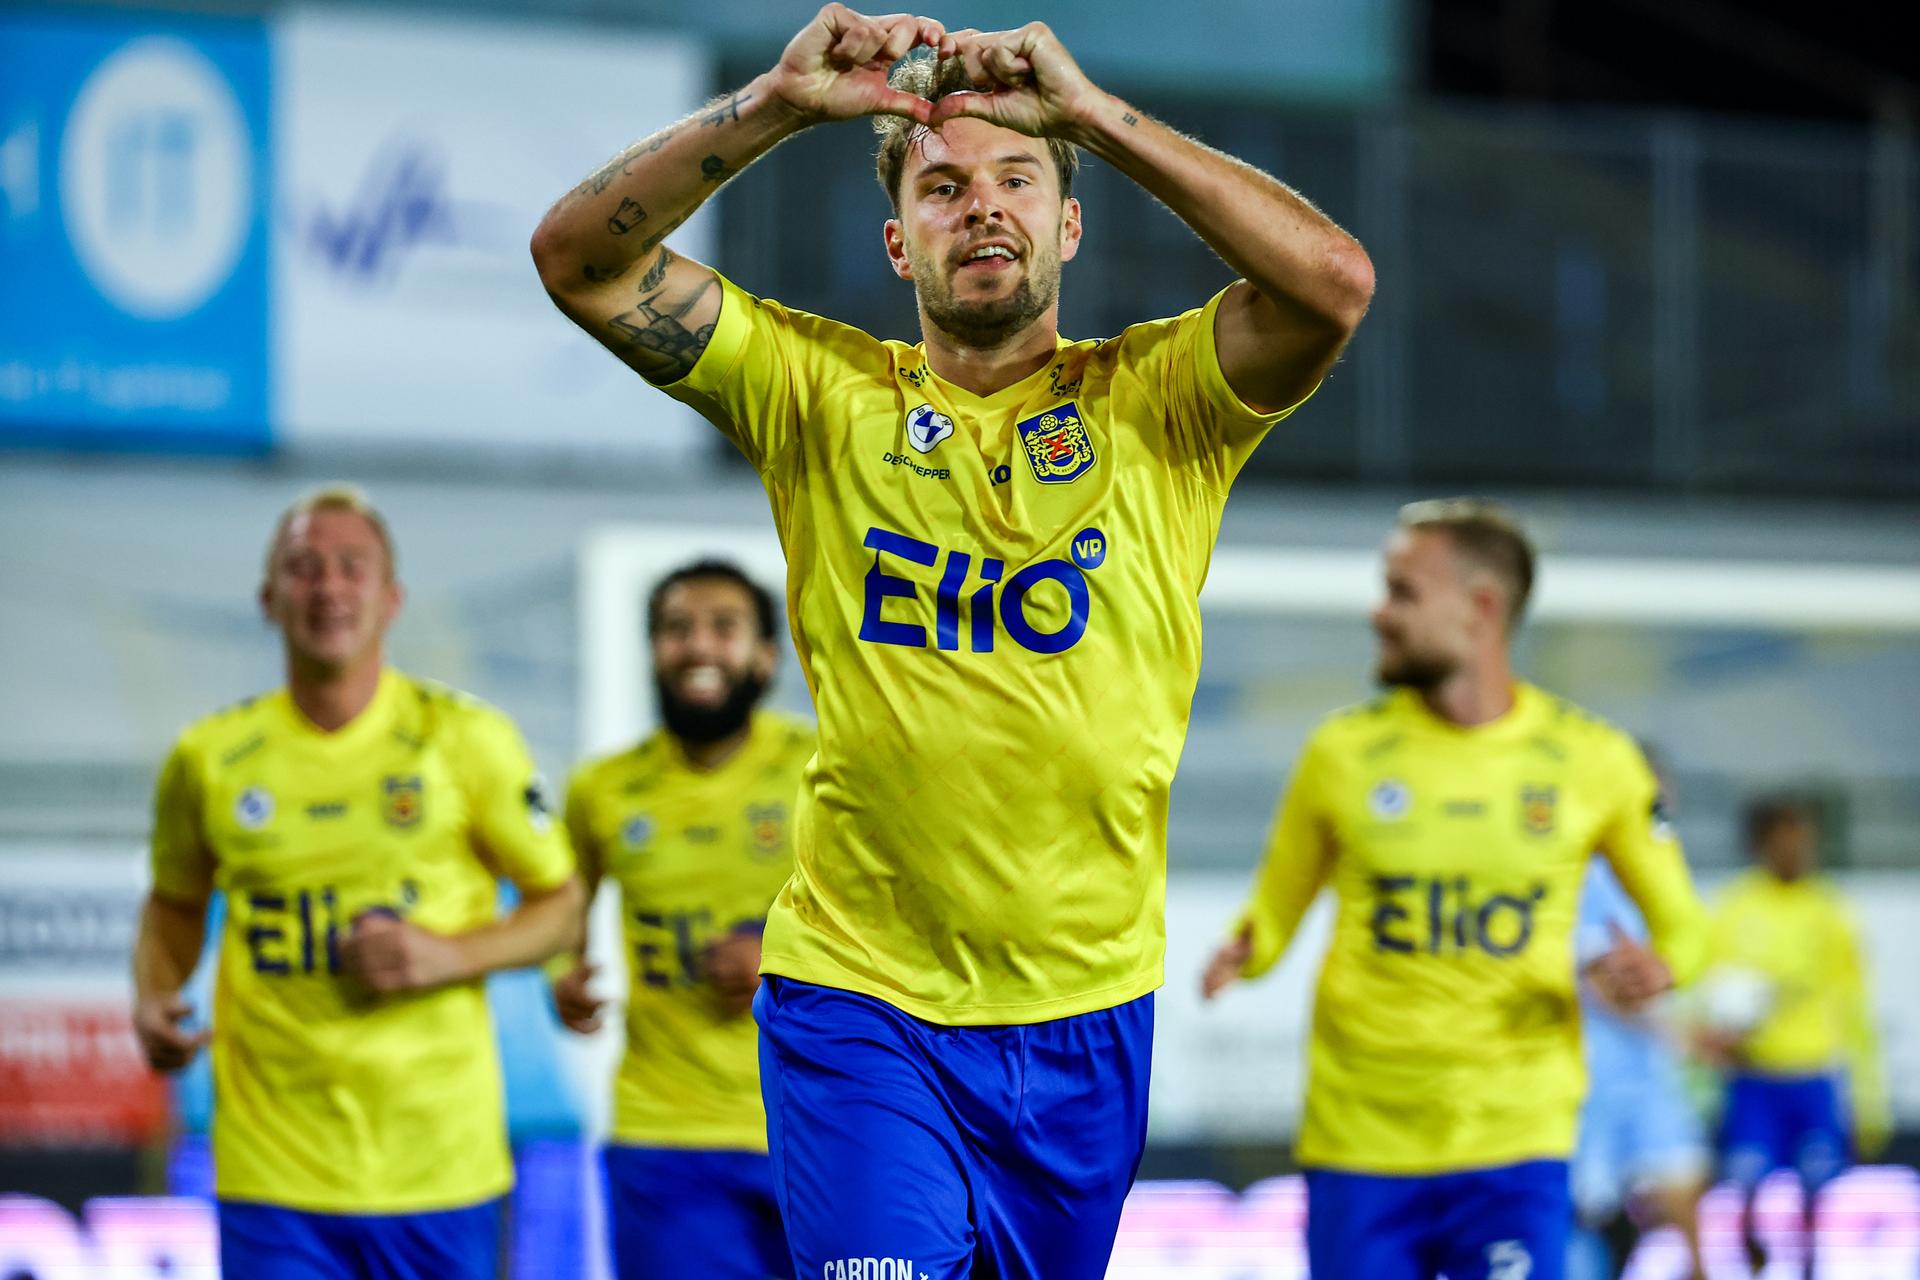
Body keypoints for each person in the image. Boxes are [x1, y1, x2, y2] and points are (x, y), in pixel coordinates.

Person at [530, 6, 1373, 1274]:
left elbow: (1336, 283)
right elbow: (580, 261)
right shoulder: (819, 395)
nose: (982, 208)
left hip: (1084, 1013)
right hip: (863, 999)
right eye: (942, 188)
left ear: (1069, 222)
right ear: (897, 242)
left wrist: (1093, 111)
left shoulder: (1165, 400)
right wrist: (773, 103)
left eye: (1017, 178)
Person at [1202, 498, 1707, 1280]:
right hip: (1358, 1142)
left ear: (1481, 608)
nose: (1380, 613)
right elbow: (1274, 911)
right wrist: (1245, 952)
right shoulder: (1341, 754)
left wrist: (1662, 966)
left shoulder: (1594, 761)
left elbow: (1686, 926)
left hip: (1515, 1145)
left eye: (1403, 592)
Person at [131, 485, 584, 1280]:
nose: (329, 588)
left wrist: (444, 955)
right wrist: (154, 994)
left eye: (352, 567)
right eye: (303, 569)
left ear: (392, 597)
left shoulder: (466, 742)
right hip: (275, 1172)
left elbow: (562, 904)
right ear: (270, 599)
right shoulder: (208, 759)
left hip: (442, 1168)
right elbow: (173, 903)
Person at [553, 560, 812, 1280]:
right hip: (665, 1136)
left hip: (821, 1125)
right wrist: (560, 977)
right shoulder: (603, 790)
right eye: (676, 629)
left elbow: (898, 911)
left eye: (723, 628)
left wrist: (783, 953)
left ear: (765, 654)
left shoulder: (821, 772)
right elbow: (556, 913)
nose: (698, 647)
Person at [1697, 793, 1888, 1280]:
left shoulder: (1831, 911)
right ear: (1761, 845)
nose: (1797, 852)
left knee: (1817, 1194)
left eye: (1804, 842)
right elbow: (1707, 994)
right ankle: (1752, 1259)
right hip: (1754, 1078)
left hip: (1814, 1075)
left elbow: (1855, 1005)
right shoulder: (1735, 907)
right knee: (1744, 1190)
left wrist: (1868, 1100)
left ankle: (1808, 1265)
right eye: (1785, 842)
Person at [1569, 793, 1710, 1280]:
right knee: (1590, 1220)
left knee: (1683, 1197)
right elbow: (1600, 979)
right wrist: (1678, 1031)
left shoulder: (1662, 875)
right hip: (1592, 1080)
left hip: (1650, 1076)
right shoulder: (1582, 874)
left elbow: (1684, 952)